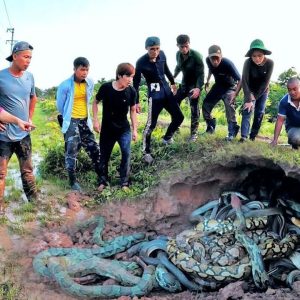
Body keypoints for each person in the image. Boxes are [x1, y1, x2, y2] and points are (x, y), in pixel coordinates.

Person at [0, 41, 38, 215]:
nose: (28, 60)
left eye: (30, 57)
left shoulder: (30, 77)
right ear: (14, 56)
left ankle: (34, 203)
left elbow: (33, 98)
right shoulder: (1, 77)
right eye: (25, 57)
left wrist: (29, 117)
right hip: (3, 136)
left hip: (23, 133)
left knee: (28, 170)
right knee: (1, 174)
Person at [133, 36, 184, 164]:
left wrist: (172, 82)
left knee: (179, 117)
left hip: (167, 92)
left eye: (157, 49)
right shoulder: (140, 62)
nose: (155, 52)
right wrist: (136, 101)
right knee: (151, 125)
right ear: (146, 48)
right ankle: (146, 151)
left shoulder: (162, 55)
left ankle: (167, 138)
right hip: (154, 96)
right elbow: (136, 83)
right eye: (152, 49)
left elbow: (166, 69)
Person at [56, 57, 101, 192]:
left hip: (85, 121)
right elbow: (60, 105)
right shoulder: (65, 85)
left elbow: (88, 100)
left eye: (87, 70)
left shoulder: (90, 83)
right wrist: (68, 119)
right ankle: (72, 181)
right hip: (71, 121)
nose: (85, 72)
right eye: (82, 69)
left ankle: (101, 176)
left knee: (94, 148)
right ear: (75, 69)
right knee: (71, 150)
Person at [93, 63, 137, 192]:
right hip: (107, 129)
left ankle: (124, 182)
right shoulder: (106, 88)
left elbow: (133, 111)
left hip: (123, 129)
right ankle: (103, 181)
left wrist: (134, 129)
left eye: (132, 77)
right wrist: (95, 120)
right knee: (104, 156)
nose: (130, 79)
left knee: (126, 153)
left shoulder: (131, 91)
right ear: (119, 75)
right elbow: (95, 102)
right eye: (128, 76)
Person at [202, 45, 241, 141]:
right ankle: (210, 128)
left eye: (217, 58)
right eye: (213, 59)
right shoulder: (208, 60)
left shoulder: (228, 64)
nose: (215, 61)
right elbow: (210, 69)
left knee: (229, 105)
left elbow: (240, 79)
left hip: (230, 87)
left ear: (221, 56)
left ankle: (232, 131)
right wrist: (207, 81)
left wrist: (235, 93)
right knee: (206, 105)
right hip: (218, 86)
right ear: (209, 57)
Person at [240, 39, 274, 142]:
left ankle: (252, 136)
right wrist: (249, 99)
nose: (257, 58)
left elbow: (266, 82)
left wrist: (255, 97)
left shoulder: (270, 63)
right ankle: (244, 137)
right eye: (254, 56)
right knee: (247, 109)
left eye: (259, 55)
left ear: (264, 54)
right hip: (249, 89)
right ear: (251, 56)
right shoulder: (247, 62)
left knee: (259, 113)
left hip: (263, 91)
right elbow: (244, 80)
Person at [173, 34, 204, 142]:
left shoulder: (196, 56)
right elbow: (178, 66)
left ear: (189, 44)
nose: (184, 49)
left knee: (194, 109)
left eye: (186, 46)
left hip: (194, 86)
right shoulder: (178, 55)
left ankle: (194, 134)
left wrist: (198, 88)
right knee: (173, 102)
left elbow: (201, 74)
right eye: (182, 47)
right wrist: (172, 78)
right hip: (184, 84)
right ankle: (175, 127)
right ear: (178, 46)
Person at [271, 77, 300, 149]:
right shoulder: (284, 102)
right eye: (289, 90)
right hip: (293, 127)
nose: (292, 92)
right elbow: (280, 121)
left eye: (295, 89)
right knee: (295, 138)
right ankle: (295, 145)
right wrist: (275, 140)